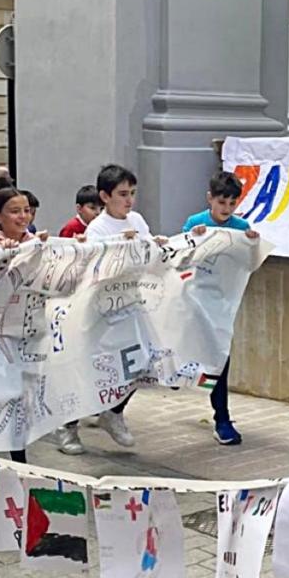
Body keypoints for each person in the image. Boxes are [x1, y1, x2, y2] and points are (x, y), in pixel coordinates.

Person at [55, 164, 166, 454]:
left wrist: (156, 247)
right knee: (94, 368)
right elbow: (97, 268)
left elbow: (148, 254)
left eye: (132, 194)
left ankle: (113, 412)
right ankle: (68, 426)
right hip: (102, 311)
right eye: (122, 194)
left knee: (141, 363)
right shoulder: (97, 229)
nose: (129, 200)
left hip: (132, 304)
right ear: (105, 196)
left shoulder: (137, 220)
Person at [182, 171, 260, 446]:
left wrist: (252, 245)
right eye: (221, 203)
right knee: (174, 358)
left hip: (222, 305)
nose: (226, 209)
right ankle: (115, 409)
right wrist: (193, 238)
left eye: (231, 204)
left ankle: (222, 418)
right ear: (210, 199)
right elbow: (181, 258)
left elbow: (249, 265)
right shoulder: (195, 223)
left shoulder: (241, 227)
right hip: (193, 302)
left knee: (220, 358)